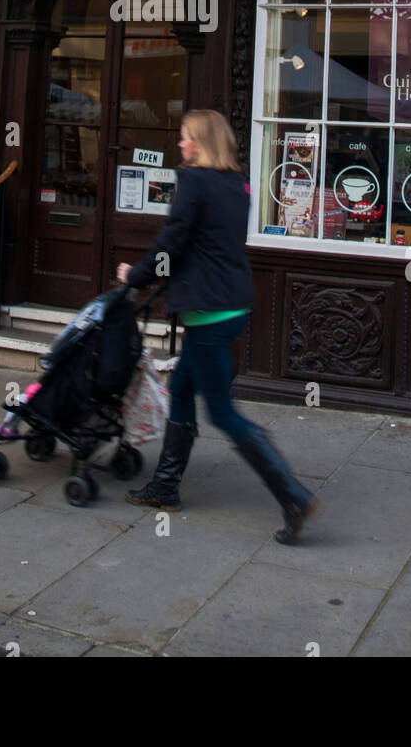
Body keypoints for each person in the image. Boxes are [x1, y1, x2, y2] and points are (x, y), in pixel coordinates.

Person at [116, 110, 318, 545]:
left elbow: (174, 238)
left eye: (186, 137)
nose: (180, 144)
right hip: (231, 304)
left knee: (222, 412)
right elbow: (209, 240)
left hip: (208, 312)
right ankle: (165, 486)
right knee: (182, 389)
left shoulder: (195, 181)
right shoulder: (237, 183)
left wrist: (135, 276)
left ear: (202, 142)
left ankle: (292, 493)